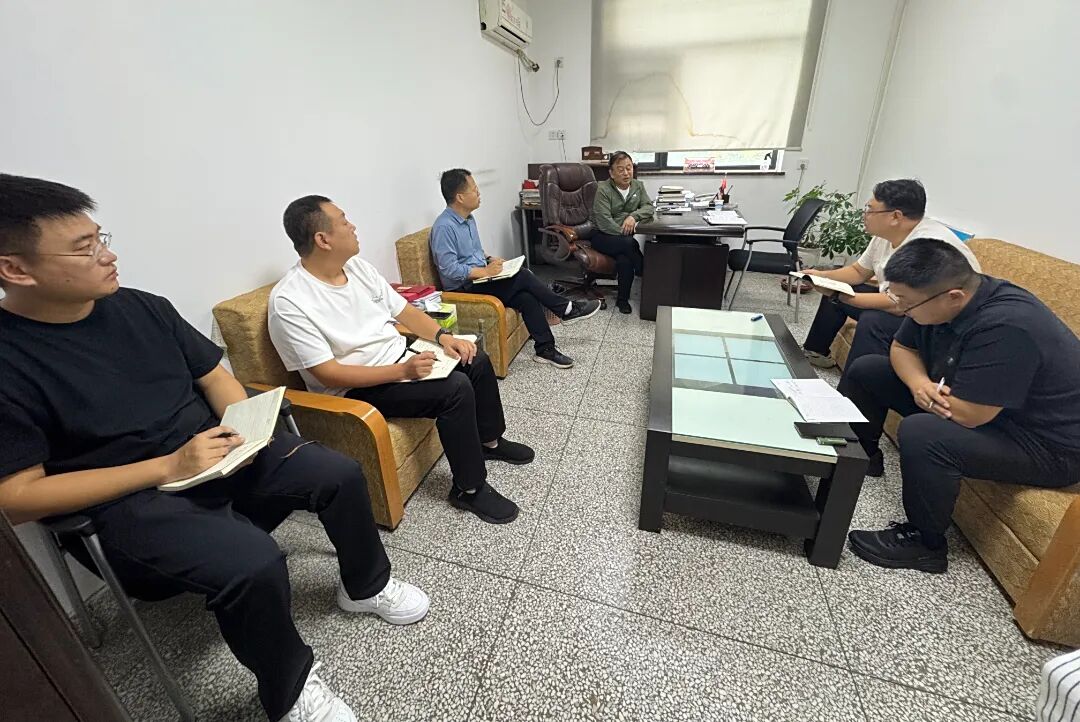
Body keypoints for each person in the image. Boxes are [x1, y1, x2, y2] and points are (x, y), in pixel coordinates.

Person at [0, 174, 427, 722]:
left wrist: (243, 429)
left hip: (215, 452)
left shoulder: (142, 308)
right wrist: (166, 466)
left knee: (337, 473)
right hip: (129, 499)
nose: (108, 255)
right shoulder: (12, 361)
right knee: (254, 562)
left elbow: (215, 377)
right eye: (84, 248)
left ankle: (366, 587)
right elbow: (17, 498)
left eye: (100, 238)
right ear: (16, 269)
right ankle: (290, 689)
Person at [268, 195, 535, 526]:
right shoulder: (290, 301)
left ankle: (489, 442)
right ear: (323, 240)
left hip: (400, 358)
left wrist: (445, 338)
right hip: (357, 387)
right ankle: (469, 489)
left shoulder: (358, 269)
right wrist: (402, 371)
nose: (353, 226)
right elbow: (328, 373)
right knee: (455, 389)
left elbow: (405, 311)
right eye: (344, 221)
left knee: (474, 358)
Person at [841, 239, 1080, 573]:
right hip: (986, 410)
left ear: (954, 296)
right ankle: (857, 457)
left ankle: (926, 544)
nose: (901, 309)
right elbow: (902, 348)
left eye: (905, 302)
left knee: (923, 432)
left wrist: (927, 395)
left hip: (1046, 445)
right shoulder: (933, 298)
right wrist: (919, 384)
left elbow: (970, 415)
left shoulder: (1008, 326)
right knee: (868, 369)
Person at [800, 179, 981, 371]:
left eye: (870, 210)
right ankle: (814, 352)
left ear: (895, 216)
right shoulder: (886, 235)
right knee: (837, 287)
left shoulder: (927, 245)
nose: (864, 215)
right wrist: (822, 276)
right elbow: (858, 271)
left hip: (937, 321)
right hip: (907, 304)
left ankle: (857, 383)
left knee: (872, 321)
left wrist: (839, 295)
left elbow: (899, 305)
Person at [431, 168, 601, 369]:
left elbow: (473, 252)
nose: (479, 193)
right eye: (475, 190)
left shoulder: (468, 219)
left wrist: (489, 259)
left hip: (480, 280)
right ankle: (566, 309)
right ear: (460, 197)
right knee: (523, 276)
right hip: (462, 289)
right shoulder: (444, 227)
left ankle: (545, 349)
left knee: (526, 298)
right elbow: (449, 269)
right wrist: (485, 272)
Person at [590, 151, 653, 314]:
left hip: (622, 241)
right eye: (620, 169)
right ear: (611, 173)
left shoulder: (638, 186)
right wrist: (624, 233)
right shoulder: (603, 189)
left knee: (625, 259)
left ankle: (622, 300)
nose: (626, 173)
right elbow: (604, 222)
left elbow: (648, 207)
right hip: (601, 236)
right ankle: (644, 270)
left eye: (629, 168)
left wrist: (633, 216)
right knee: (629, 243)